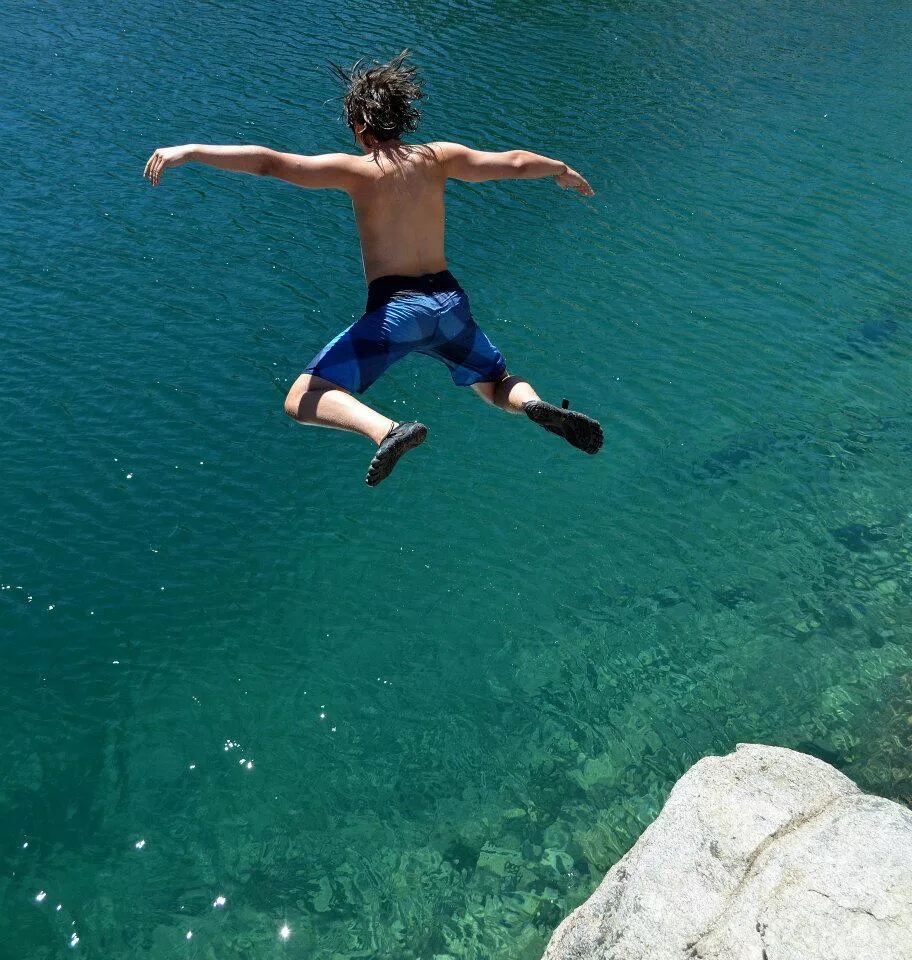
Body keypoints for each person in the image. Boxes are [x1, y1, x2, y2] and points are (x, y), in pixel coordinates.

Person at [143, 50, 603, 486]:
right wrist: (560, 168)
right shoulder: (439, 157)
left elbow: (270, 163)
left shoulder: (358, 171)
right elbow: (516, 163)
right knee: (498, 383)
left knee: (301, 398)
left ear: (361, 124)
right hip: (449, 302)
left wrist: (189, 150)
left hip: (398, 311)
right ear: (402, 117)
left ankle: (388, 430)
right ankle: (536, 403)